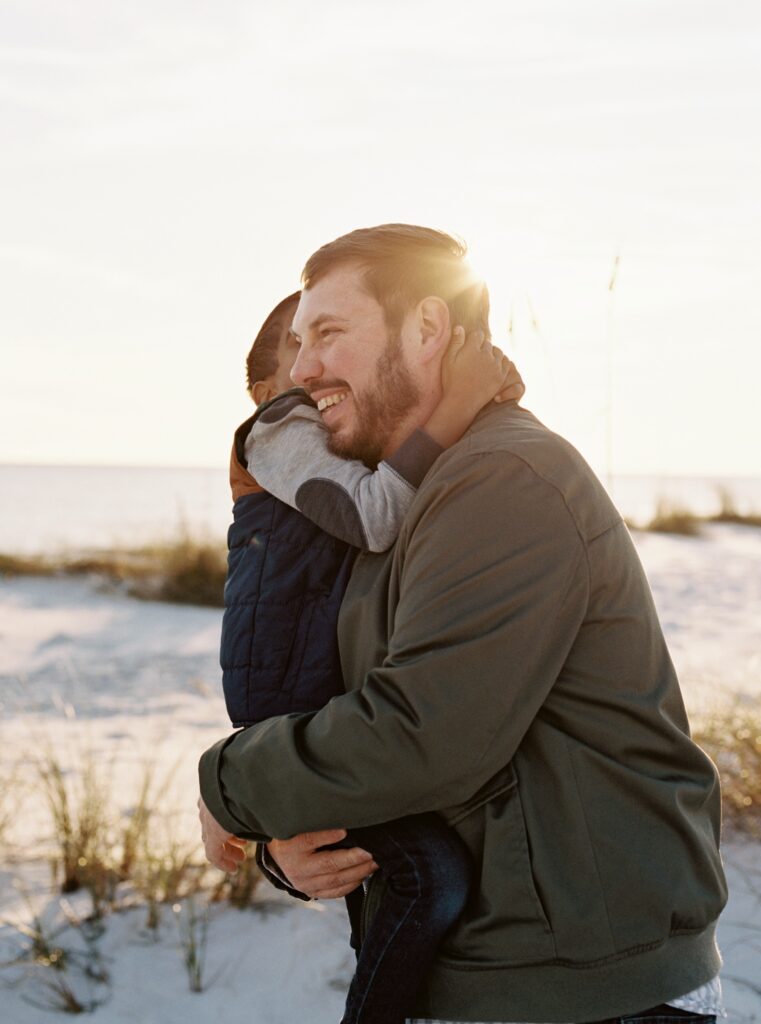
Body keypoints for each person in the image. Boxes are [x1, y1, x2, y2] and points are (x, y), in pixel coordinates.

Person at [199, 224, 728, 1024]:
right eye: (298, 341)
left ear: (427, 329)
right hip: (489, 976)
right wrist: (284, 840)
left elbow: (420, 735)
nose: (302, 369)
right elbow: (340, 713)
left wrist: (227, 785)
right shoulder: (393, 499)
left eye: (329, 334)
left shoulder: (501, 477)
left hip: (584, 994)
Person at [212, 286, 524, 1024]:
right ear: (261, 388)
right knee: (428, 875)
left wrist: (472, 391)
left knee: (396, 869)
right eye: (301, 351)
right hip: (292, 701)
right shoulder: (272, 430)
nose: (321, 370)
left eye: (335, 344)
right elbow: (379, 514)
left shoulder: (344, 446)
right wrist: (458, 405)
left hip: (324, 697)